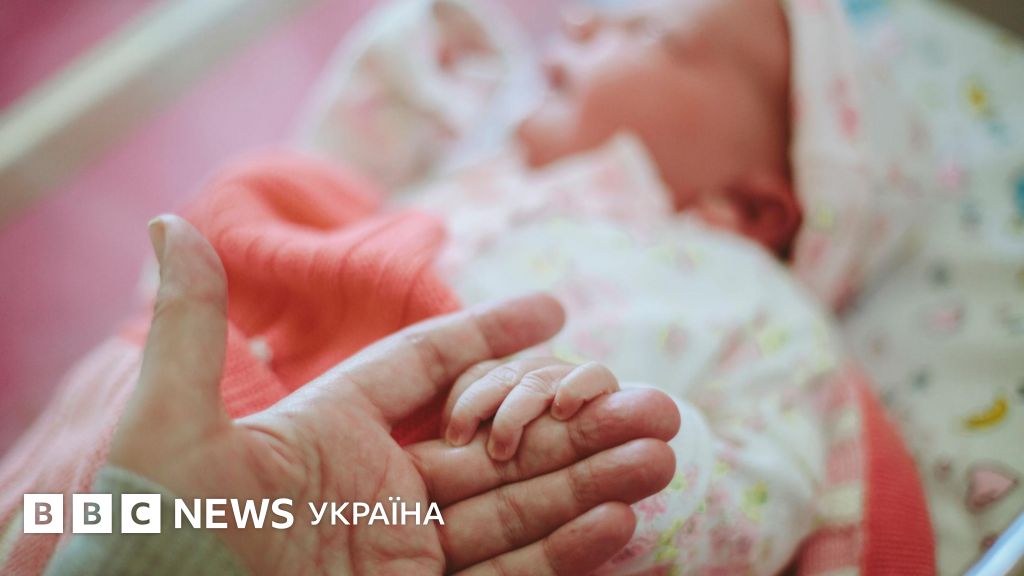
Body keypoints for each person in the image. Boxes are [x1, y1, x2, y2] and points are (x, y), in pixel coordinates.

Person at [42, 215, 679, 575]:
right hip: (253, 451)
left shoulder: (716, 287)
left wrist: (590, 419)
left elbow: (720, 506)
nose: (582, 26)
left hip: (419, 486)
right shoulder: (473, 169)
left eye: (651, 32)